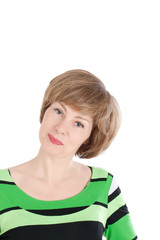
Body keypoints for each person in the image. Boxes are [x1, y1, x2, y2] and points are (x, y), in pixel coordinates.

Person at [0, 69, 138, 239]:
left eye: (78, 123)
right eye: (59, 111)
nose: (60, 128)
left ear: (89, 137)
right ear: (45, 110)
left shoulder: (104, 186)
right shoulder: (1, 187)